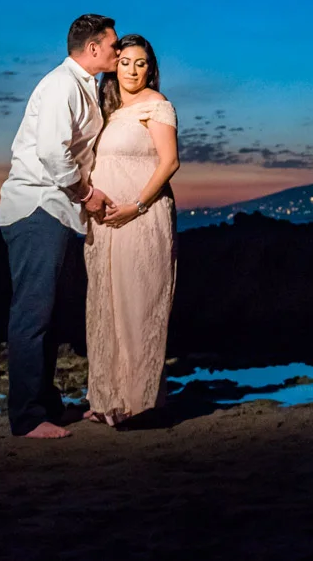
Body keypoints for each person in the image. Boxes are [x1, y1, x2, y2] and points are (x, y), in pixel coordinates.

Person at [0, 13, 118, 439]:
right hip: (37, 207)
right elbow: (52, 151)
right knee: (32, 312)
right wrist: (87, 194)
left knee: (49, 312)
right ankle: (27, 418)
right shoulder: (61, 85)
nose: (117, 51)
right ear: (92, 48)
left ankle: (46, 405)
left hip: (58, 211)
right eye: (112, 44)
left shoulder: (83, 85)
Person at [83, 33, 180, 425]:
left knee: (139, 302)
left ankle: (139, 402)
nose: (132, 70)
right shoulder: (107, 110)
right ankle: (108, 398)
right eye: (125, 62)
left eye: (141, 63)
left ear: (151, 68)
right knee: (106, 303)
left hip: (142, 216)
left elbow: (170, 162)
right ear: (115, 66)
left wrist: (136, 206)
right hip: (107, 222)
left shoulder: (157, 106)